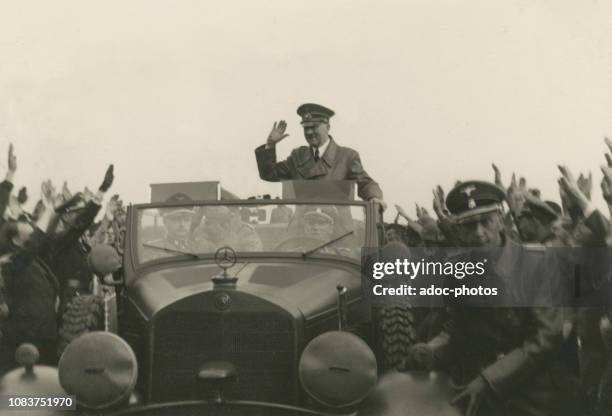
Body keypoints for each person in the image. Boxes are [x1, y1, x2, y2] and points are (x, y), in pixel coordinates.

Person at [402, 180, 578, 416]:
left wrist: (489, 379)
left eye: (485, 221)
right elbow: (456, 330)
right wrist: (430, 351)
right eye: (469, 225)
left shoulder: (536, 264)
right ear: (459, 229)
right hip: (478, 391)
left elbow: (547, 337)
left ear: (501, 219)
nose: (479, 233)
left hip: (534, 394)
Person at [254, 103, 385, 208]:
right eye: (306, 128)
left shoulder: (347, 157)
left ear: (328, 127)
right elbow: (269, 174)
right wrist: (270, 145)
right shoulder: (297, 156)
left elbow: (366, 183)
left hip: (340, 232)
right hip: (301, 230)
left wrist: (374, 198)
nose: (309, 132)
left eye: (314, 126)